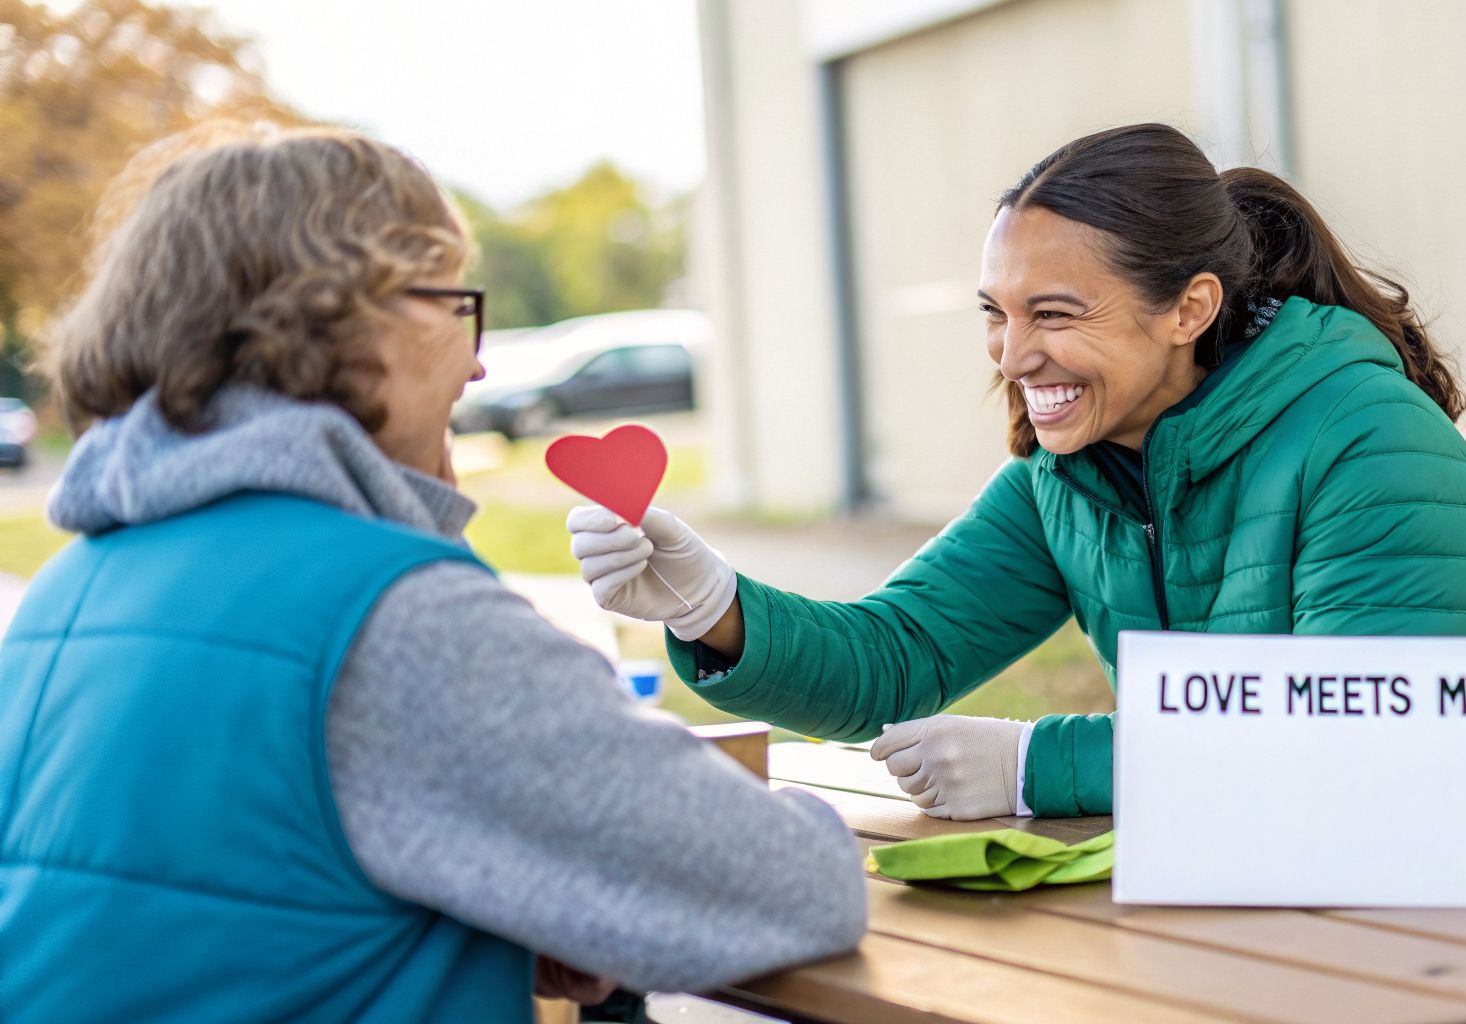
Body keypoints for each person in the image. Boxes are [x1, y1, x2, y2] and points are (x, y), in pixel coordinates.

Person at [568, 123, 1466, 847]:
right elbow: (895, 659)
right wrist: (709, 607)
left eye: (1054, 314)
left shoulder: (1369, 440)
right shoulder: (1073, 472)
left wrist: (1032, 764)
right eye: (997, 316)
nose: (1013, 358)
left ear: (1188, 309)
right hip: (1338, 888)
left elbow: (1360, 732)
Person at [0, 124, 865, 1023]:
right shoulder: (386, 614)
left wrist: (494, 915)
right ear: (348, 318)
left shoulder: (69, 590)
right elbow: (793, 888)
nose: (478, 358)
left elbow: (222, 918)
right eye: (457, 303)